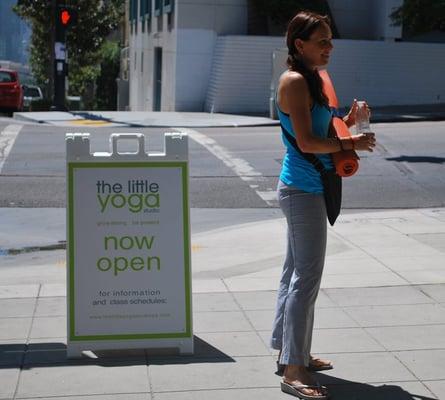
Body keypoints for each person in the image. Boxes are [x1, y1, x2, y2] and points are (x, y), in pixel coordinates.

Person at [270, 11, 376, 399]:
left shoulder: (315, 79)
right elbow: (307, 143)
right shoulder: (295, 81)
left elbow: (322, 128)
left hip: (308, 187)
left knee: (294, 273)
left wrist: (349, 119)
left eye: (330, 40)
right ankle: (295, 370)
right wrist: (353, 144)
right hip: (302, 190)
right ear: (300, 45)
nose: (330, 47)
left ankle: (290, 353)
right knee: (306, 279)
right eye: (323, 41)